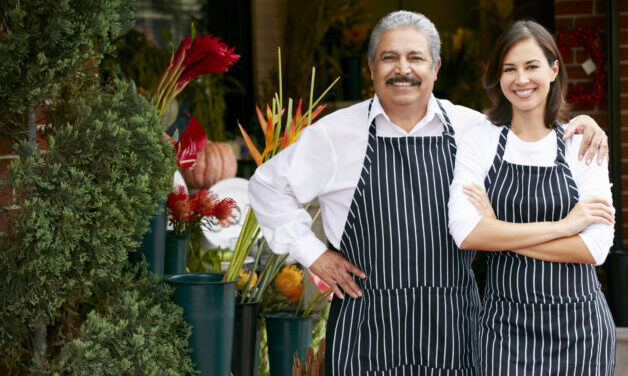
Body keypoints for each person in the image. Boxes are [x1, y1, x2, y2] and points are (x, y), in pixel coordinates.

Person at [249, 11, 607, 375]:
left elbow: (533, 132)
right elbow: (267, 186)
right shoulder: (335, 134)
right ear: (372, 67)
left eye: (415, 58)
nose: (402, 69)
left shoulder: (473, 130)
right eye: (389, 58)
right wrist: (315, 254)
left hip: (454, 330)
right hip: (367, 327)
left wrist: (583, 128)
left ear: (436, 67)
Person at [448, 20, 616, 374]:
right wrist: (565, 226)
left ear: (554, 69)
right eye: (509, 69)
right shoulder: (481, 139)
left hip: (580, 329)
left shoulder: (580, 144)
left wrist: (497, 231)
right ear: (498, 77)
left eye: (531, 66)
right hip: (505, 329)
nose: (520, 79)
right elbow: (466, 233)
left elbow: (594, 249)